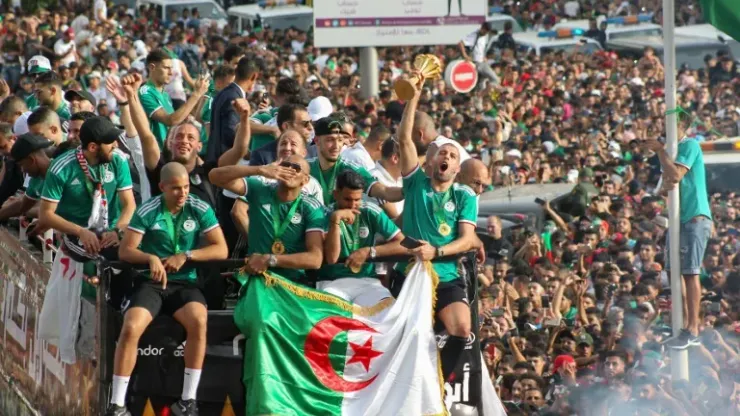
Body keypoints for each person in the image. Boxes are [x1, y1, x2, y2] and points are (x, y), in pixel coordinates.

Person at [112, 162, 228, 416]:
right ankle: (117, 404)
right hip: (151, 283)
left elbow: (221, 249)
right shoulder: (148, 209)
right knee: (131, 326)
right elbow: (126, 250)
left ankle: (188, 400)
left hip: (184, 283)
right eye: (176, 188)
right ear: (162, 187)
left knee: (199, 320)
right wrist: (150, 258)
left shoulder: (199, 207)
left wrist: (187, 255)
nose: (182, 192)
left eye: (186, 187)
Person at [394, 74, 478, 382]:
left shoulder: (464, 195)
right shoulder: (416, 183)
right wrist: (414, 95)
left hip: (445, 274)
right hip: (410, 273)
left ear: (457, 169)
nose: (447, 156)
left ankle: (437, 382)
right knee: (407, 338)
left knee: (462, 329)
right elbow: (405, 139)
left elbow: (467, 239)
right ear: (431, 162)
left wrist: (437, 251)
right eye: (443, 152)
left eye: (453, 155)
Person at [642, 118, 712, 349]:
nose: (667, 127)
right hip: (678, 220)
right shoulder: (672, 152)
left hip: (694, 216)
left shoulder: (689, 145)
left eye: (673, 123)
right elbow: (665, 187)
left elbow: (675, 176)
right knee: (674, 272)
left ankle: (693, 328)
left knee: (690, 272)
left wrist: (660, 152)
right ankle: (681, 324)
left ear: (684, 124)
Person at [209, 155, 324, 284]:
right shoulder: (260, 189)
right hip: (257, 277)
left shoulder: (311, 207)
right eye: (285, 165)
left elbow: (315, 259)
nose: (289, 170)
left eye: (296, 168)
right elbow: (214, 176)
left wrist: (269, 260)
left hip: (293, 282)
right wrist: (260, 170)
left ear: (305, 180)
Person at [37, 116, 136, 259]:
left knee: (132, 253)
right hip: (76, 231)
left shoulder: (118, 159)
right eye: (110, 142)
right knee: (96, 254)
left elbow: (129, 204)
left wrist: (117, 231)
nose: (116, 145)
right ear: (93, 147)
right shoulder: (62, 167)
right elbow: (45, 214)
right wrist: (80, 231)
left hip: (112, 229)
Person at [124, 72, 217, 208]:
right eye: (178, 136)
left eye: (190, 137)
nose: (184, 141)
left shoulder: (209, 174)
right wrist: (132, 95)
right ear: (169, 143)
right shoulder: (160, 170)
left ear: (199, 146)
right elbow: (146, 136)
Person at [319, 170, 405, 306]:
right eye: (347, 199)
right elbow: (332, 258)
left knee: (387, 310)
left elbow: (403, 243)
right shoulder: (324, 214)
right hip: (332, 282)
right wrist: (335, 220)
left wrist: (369, 252)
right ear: (336, 194)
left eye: (357, 199)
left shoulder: (370, 211)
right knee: (333, 313)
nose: (352, 205)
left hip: (367, 282)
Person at [309, 116, 402, 206]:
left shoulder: (350, 168)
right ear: (317, 140)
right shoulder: (306, 167)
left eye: (340, 140)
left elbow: (384, 191)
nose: (336, 146)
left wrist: (407, 190)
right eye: (330, 140)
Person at [138, 49, 209, 149]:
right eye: (166, 68)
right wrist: (196, 94)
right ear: (152, 67)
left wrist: (200, 96)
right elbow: (170, 120)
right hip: (154, 152)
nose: (171, 73)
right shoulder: (145, 92)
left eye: (171, 68)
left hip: (167, 150)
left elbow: (174, 122)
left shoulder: (165, 94)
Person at [206, 56, 262, 164]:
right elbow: (231, 131)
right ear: (254, 76)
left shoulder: (224, 92)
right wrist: (246, 152)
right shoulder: (234, 97)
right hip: (224, 161)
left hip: (215, 157)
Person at [0, 133, 52, 221]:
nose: (22, 170)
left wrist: (26, 211)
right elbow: (22, 205)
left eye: (22, 165)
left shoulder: (60, 174)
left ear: (31, 160)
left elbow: (55, 211)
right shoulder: (36, 180)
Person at [248, 103, 316, 166]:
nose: (311, 128)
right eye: (305, 124)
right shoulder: (261, 157)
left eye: (311, 122)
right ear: (286, 126)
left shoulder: (315, 152)